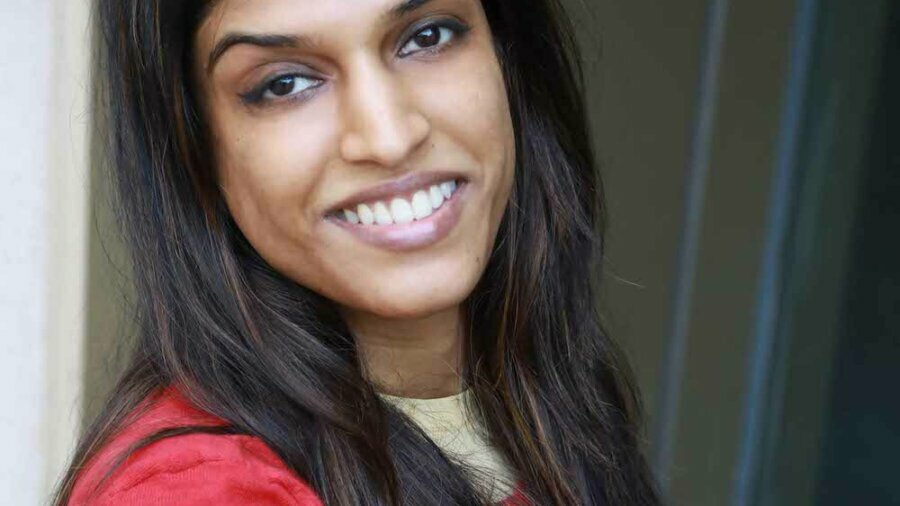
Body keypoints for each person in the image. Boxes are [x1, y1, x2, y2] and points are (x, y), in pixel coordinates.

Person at [54, 0, 661, 504]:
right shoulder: (200, 489)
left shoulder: (545, 398)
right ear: (195, 149)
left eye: (428, 36)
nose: (389, 137)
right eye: (285, 83)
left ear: (508, 54)